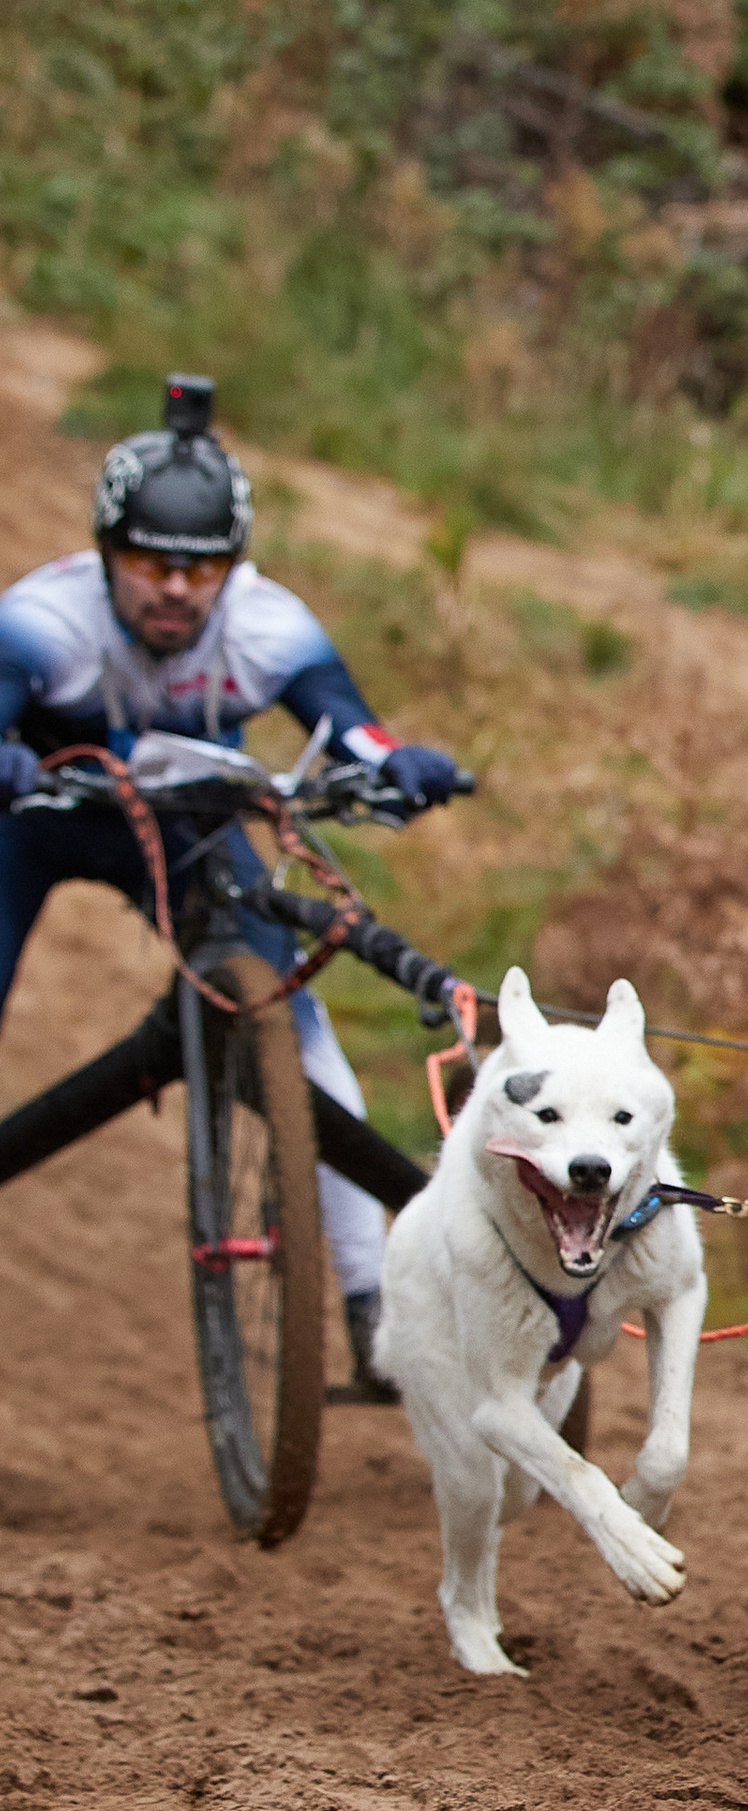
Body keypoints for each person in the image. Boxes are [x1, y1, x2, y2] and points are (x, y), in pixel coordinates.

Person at [0, 374, 460, 1398]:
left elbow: (347, 721)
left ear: (232, 572)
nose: (174, 589)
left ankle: (366, 1303)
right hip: (33, 821)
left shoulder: (270, 625)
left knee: (304, 1036)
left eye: (200, 570)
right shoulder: (41, 619)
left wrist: (396, 763)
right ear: (105, 557)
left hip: (187, 828)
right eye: (149, 565)